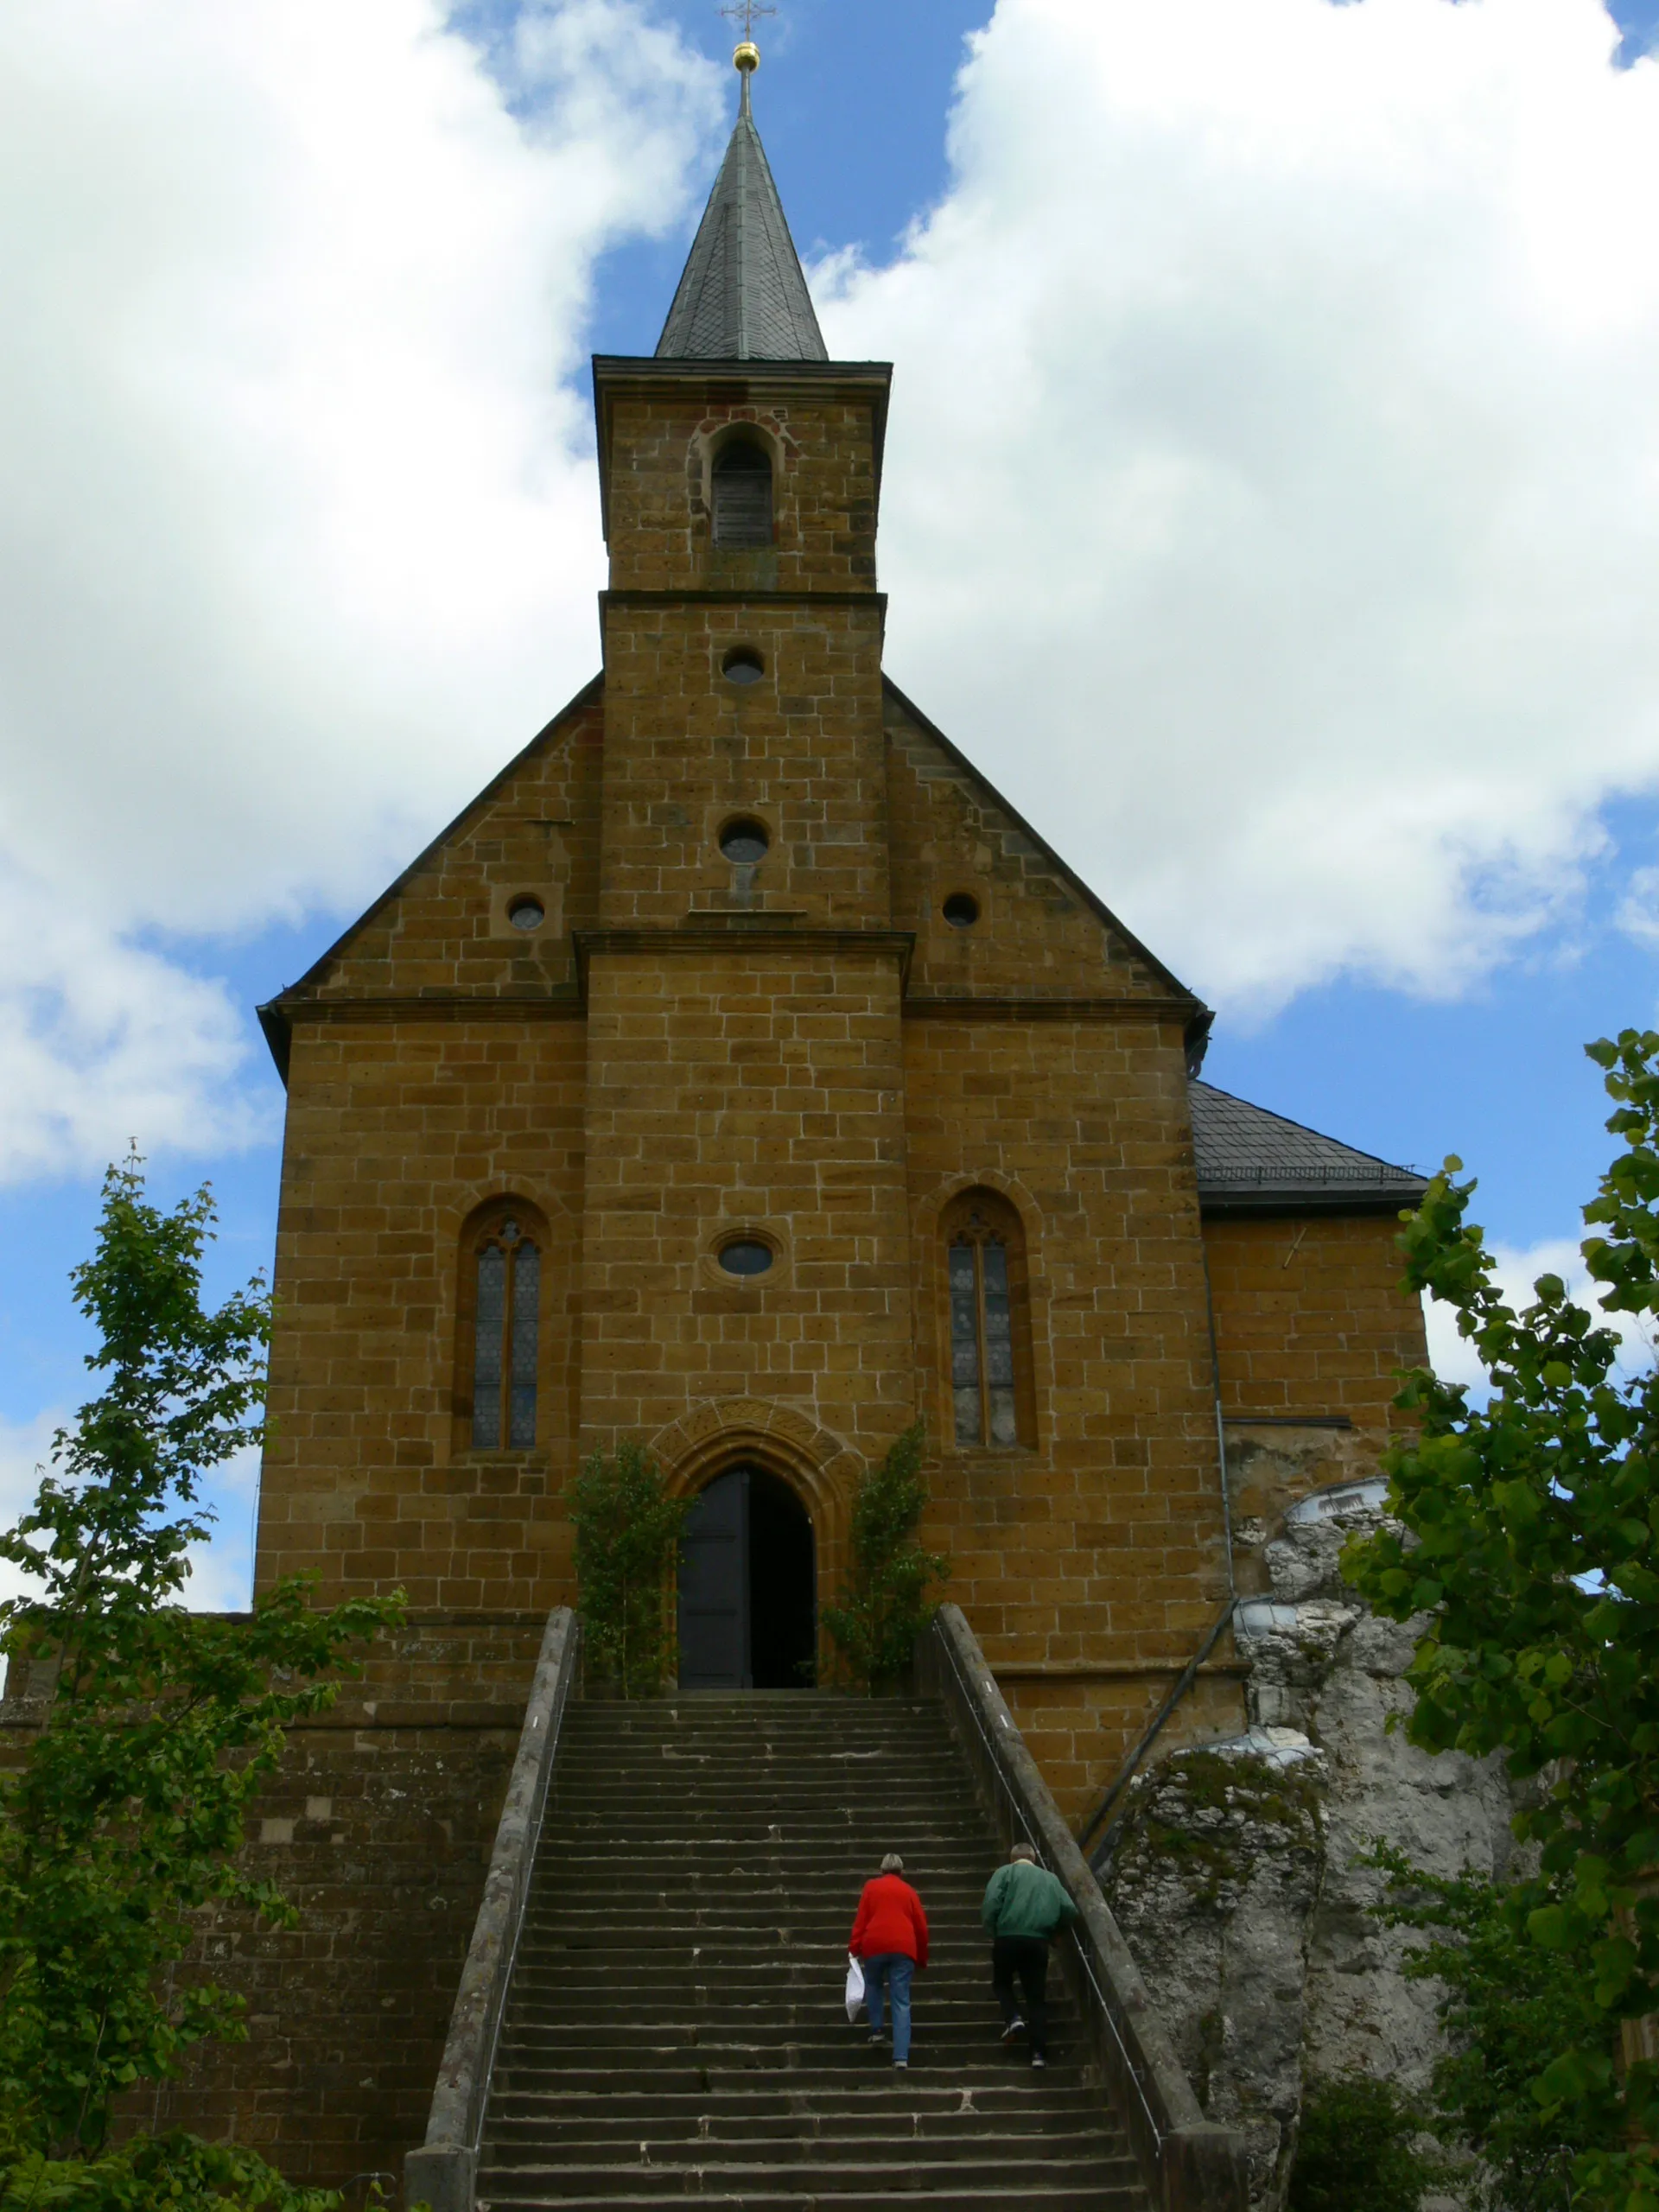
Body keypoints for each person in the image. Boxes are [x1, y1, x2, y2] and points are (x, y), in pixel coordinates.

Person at [980, 1840, 1078, 2067]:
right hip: (1038, 1942)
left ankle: (1013, 2017)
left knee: (1002, 1982)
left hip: (1007, 1937)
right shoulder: (1050, 1879)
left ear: (1012, 1859)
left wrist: (993, 1930)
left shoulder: (1004, 1873)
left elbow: (991, 1903)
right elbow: (1070, 1909)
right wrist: (1056, 1933)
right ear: (1033, 1859)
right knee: (1036, 1997)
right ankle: (1038, 2055)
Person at [849, 1852, 929, 2069]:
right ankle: (901, 2056)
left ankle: (877, 2030)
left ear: (881, 1870)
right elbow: (921, 1927)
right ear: (902, 1872)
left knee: (873, 1984)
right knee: (901, 1999)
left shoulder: (871, 1888)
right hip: (903, 1948)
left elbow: (861, 1919)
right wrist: (921, 1957)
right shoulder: (909, 1891)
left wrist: (854, 1947)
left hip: (874, 1945)